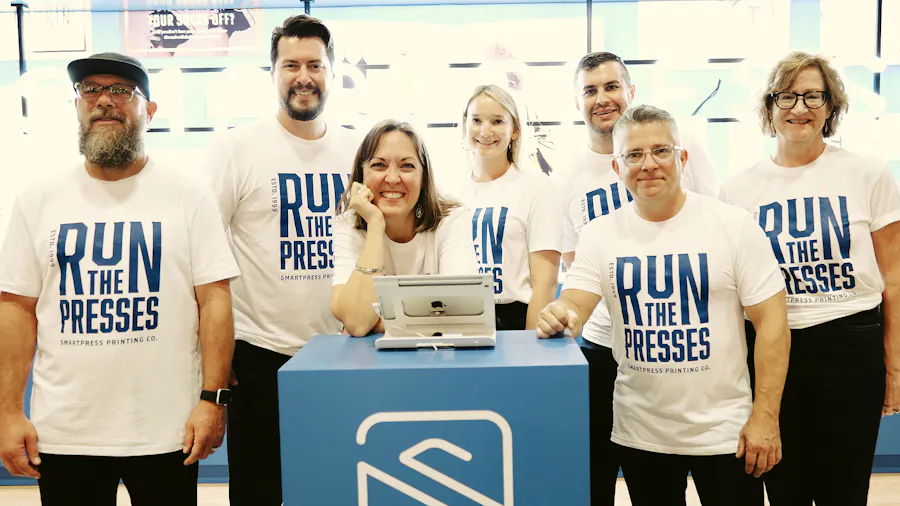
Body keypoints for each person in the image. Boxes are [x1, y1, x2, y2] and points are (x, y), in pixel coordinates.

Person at [0, 52, 239, 506]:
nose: (103, 100)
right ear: (76, 107)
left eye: (121, 91)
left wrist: (213, 399)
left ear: (148, 111)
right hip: (65, 431)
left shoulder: (188, 194)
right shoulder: (37, 199)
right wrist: (7, 411)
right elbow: (15, 309)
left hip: (168, 431)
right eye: (90, 90)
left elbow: (215, 301)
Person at [539, 104, 790, 506]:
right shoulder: (601, 234)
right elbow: (576, 303)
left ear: (682, 158)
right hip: (642, 433)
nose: (648, 165)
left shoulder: (733, 225)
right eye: (633, 155)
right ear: (617, 168)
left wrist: (766, 415)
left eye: (660, 151)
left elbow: (773, 322)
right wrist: (561, 313)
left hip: (726, 432)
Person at [720, 51, 900, 506]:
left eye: (813, 96)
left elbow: (894, 279)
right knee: (786, 488)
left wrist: (895, 369)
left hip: (851, 347)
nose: (800, 108)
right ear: (769, 107)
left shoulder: (869, 173)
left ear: (831, 106)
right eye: (787, 96)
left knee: (845, 488)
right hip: (774, 347)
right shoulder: (737, 189)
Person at [199, 14, 359, 506]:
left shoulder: (359, 149)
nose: (303, 76)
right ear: (272, 74)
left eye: (315, 64)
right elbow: (201, 255)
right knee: (258, 492)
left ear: (333, 72)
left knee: (340, 488)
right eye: (291, 65)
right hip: (258, 354)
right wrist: (212, 355)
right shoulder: (235, 148)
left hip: (343, 352)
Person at [555, 51, 723, 506]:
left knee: (696, 470)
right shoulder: (567, 178)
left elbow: (718, 226)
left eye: (612, 87)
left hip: (680, 341)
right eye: (590, 90)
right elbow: (575, 265)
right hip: (603, 347)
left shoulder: (682, 149)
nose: (602, 99)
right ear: (577, 104)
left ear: (631, 92)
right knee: (602, 474)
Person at [331, 119, 479, 336]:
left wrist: (378, 324)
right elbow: (357, 322)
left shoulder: (451, 220)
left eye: (407, 166)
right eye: (379, 165)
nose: (392, 178)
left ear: (423, 176)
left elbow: (462, 315)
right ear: (361, 174)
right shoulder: (349, 225)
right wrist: (375, 225)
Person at [460, 84, 562, 331]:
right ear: (465, 124)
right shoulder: (449, 192)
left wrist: (529, 347)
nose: (485, 131)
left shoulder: (537, 188)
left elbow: (545, 284)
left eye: (497, 121)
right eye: (476, 120)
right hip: (460, 316)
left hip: (515, 319)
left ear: (514, 129)